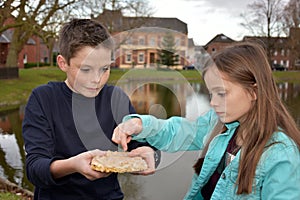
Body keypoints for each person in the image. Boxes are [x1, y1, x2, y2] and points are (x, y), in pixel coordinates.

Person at [112, 42, 300, 199]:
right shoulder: (218, 124)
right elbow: (178, 131)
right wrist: (139, 124)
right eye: (211, 93)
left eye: (221, 93)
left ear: (254, 91)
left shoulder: (281, 156)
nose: (212, 102)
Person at [22, 18, 158, 200]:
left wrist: (150, 154)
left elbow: (141, 145)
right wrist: (72, 165)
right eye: (85, 69)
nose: (97, 79)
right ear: (63, 63)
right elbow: (34, 169)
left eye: (105, 69)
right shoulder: (43, 99)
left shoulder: (115, 98)